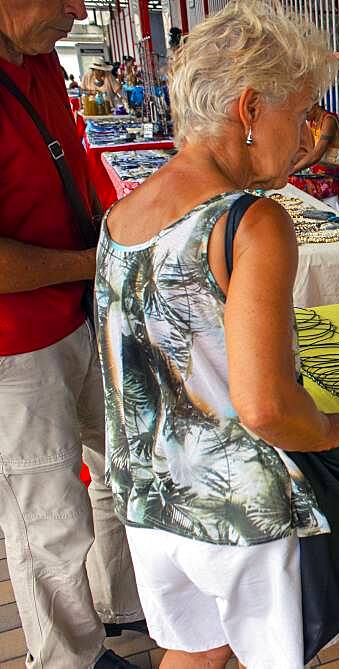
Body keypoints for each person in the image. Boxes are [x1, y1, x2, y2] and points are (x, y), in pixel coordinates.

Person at [95, 2, 339, 667]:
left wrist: (271, 167)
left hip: (151, 501)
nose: (305, 132)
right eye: (299, 115)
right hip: (238, 515)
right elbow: (267, 405)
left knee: (193, 654)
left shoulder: (122, 214)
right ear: (249, 110)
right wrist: (329, 428)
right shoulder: (251, 223)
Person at [0, 1, 145, 668]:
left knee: (120, 465)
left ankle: (118, 603)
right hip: (15, 348)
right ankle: (66, 661)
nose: (78, 10)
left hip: (76, 318)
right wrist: (92, 260)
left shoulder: (39, 65)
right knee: (47, 526)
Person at [288, 102, 339, 202]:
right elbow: (309, 152)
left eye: (305, 113)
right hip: (319, 171)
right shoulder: (312, 122)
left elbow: (316, 155)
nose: (304, 117)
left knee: (290, 180)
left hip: (331, 175)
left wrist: (292, 169)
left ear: (314, 105)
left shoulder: (329, 121)